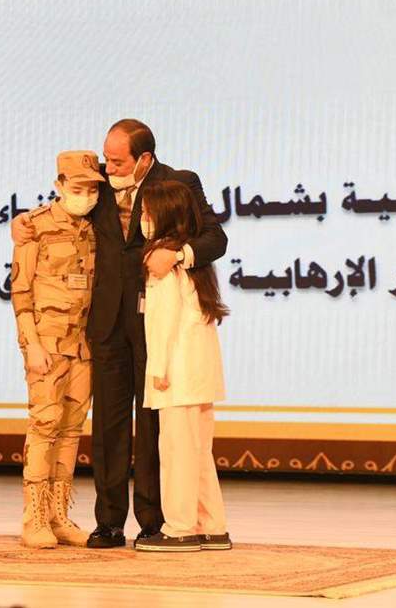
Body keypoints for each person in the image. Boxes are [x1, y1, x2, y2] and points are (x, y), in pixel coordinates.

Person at [12, 119, 227, 549]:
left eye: (117, 162)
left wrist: (178, 254)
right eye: (106, 160)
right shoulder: (102, 185)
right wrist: (25, 221)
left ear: (144, 159)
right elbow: (66, 205)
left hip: (155, 322)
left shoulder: (178, 183)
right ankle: (108, 521)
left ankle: (152, 519)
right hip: (106, 321)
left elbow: (215, 239)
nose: (108, 168)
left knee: (150, 426)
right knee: (109, 426)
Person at [10, 150, 104, 549]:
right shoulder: (35, 227)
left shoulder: (98, 228)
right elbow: (21, 292)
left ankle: (58, 516)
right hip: (46, 345)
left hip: (84, 346)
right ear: (60, 185)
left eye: (93, 189)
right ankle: (33, 518)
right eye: (79, 188)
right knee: (44, 426)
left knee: (71, 431)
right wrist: (30, 345)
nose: (87, 196)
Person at [134, 180, 230, 553]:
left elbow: (163, 321)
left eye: (146, 212)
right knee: (199, 452)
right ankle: (212, 526)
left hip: (175, 373)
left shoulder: (163, 260)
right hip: (199, 374)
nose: (142, 219)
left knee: (177, 453)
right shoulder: (192, 260)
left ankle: (179, 528)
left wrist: (157, 369)